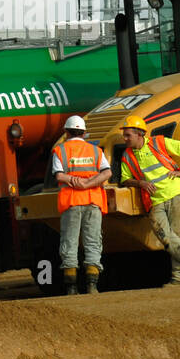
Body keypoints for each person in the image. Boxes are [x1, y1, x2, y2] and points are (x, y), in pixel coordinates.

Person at [117, 116, 180, 287]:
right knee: (166, 238)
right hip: (154, 201)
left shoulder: (158, 142)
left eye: (128, 135)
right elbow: (125, 179)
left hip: (176, 195)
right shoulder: (127, 156)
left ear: (139, 134)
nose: (125, 138)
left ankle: (177, 280)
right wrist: (140, 183)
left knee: (179, 238)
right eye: (125, 135)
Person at [51, 115, 111, 295]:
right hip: (93, 201)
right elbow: (107, 172)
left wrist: (75, 181)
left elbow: (59, 176)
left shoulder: (60, 150)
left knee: (69, 242)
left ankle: (71, 287)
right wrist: (88, 184)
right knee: (93, 242)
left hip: (71, 202)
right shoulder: (95, 151)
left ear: (66, 132)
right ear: (84, 133)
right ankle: (92, 286)